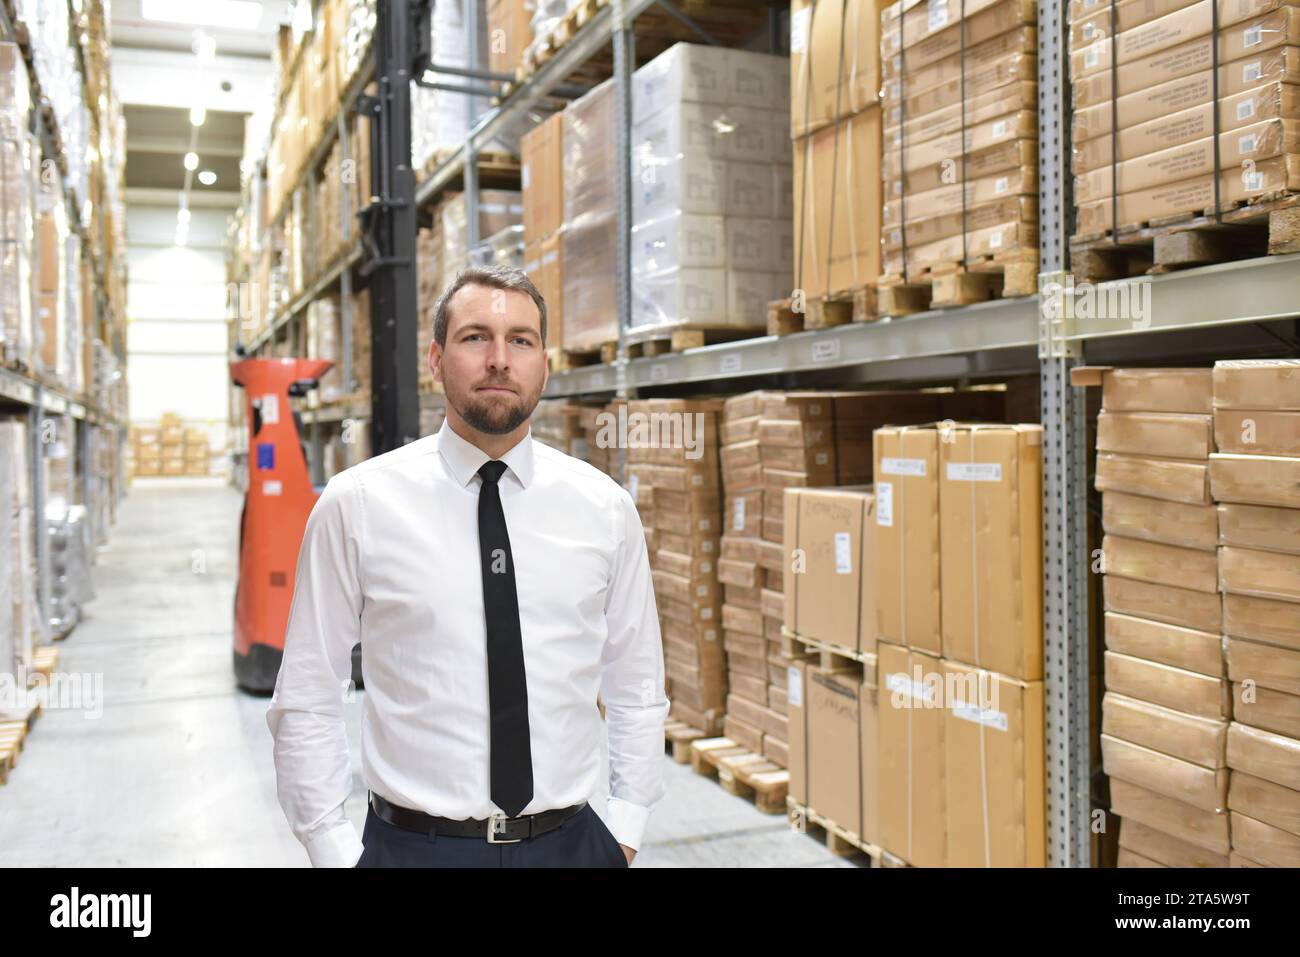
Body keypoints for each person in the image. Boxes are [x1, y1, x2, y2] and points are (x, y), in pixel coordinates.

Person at [267, 265, 668, 867]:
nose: (500, 360)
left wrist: (627, 825)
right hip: (415, 849)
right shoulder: (358, 506)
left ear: (545, 363)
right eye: (476, 337)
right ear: (435, 359)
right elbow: (308, 691)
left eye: (522, 341)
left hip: (571, 845)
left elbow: (635, 678)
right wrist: (332, 849)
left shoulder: (603, 509)